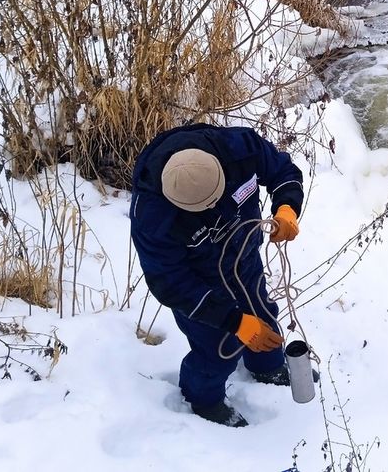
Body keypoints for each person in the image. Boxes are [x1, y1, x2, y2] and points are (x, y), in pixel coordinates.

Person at [129, 122, 306, 427]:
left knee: (262, 311)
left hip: (245, 259)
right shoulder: (153, 218)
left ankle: (267, 365)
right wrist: (233, 321)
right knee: (215, 346)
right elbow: (169, 283)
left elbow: (282, 171)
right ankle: (204, 399)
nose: (214, 208)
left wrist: (287, 207)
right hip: (201, 284)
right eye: (202, 208)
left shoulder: (240, 148)